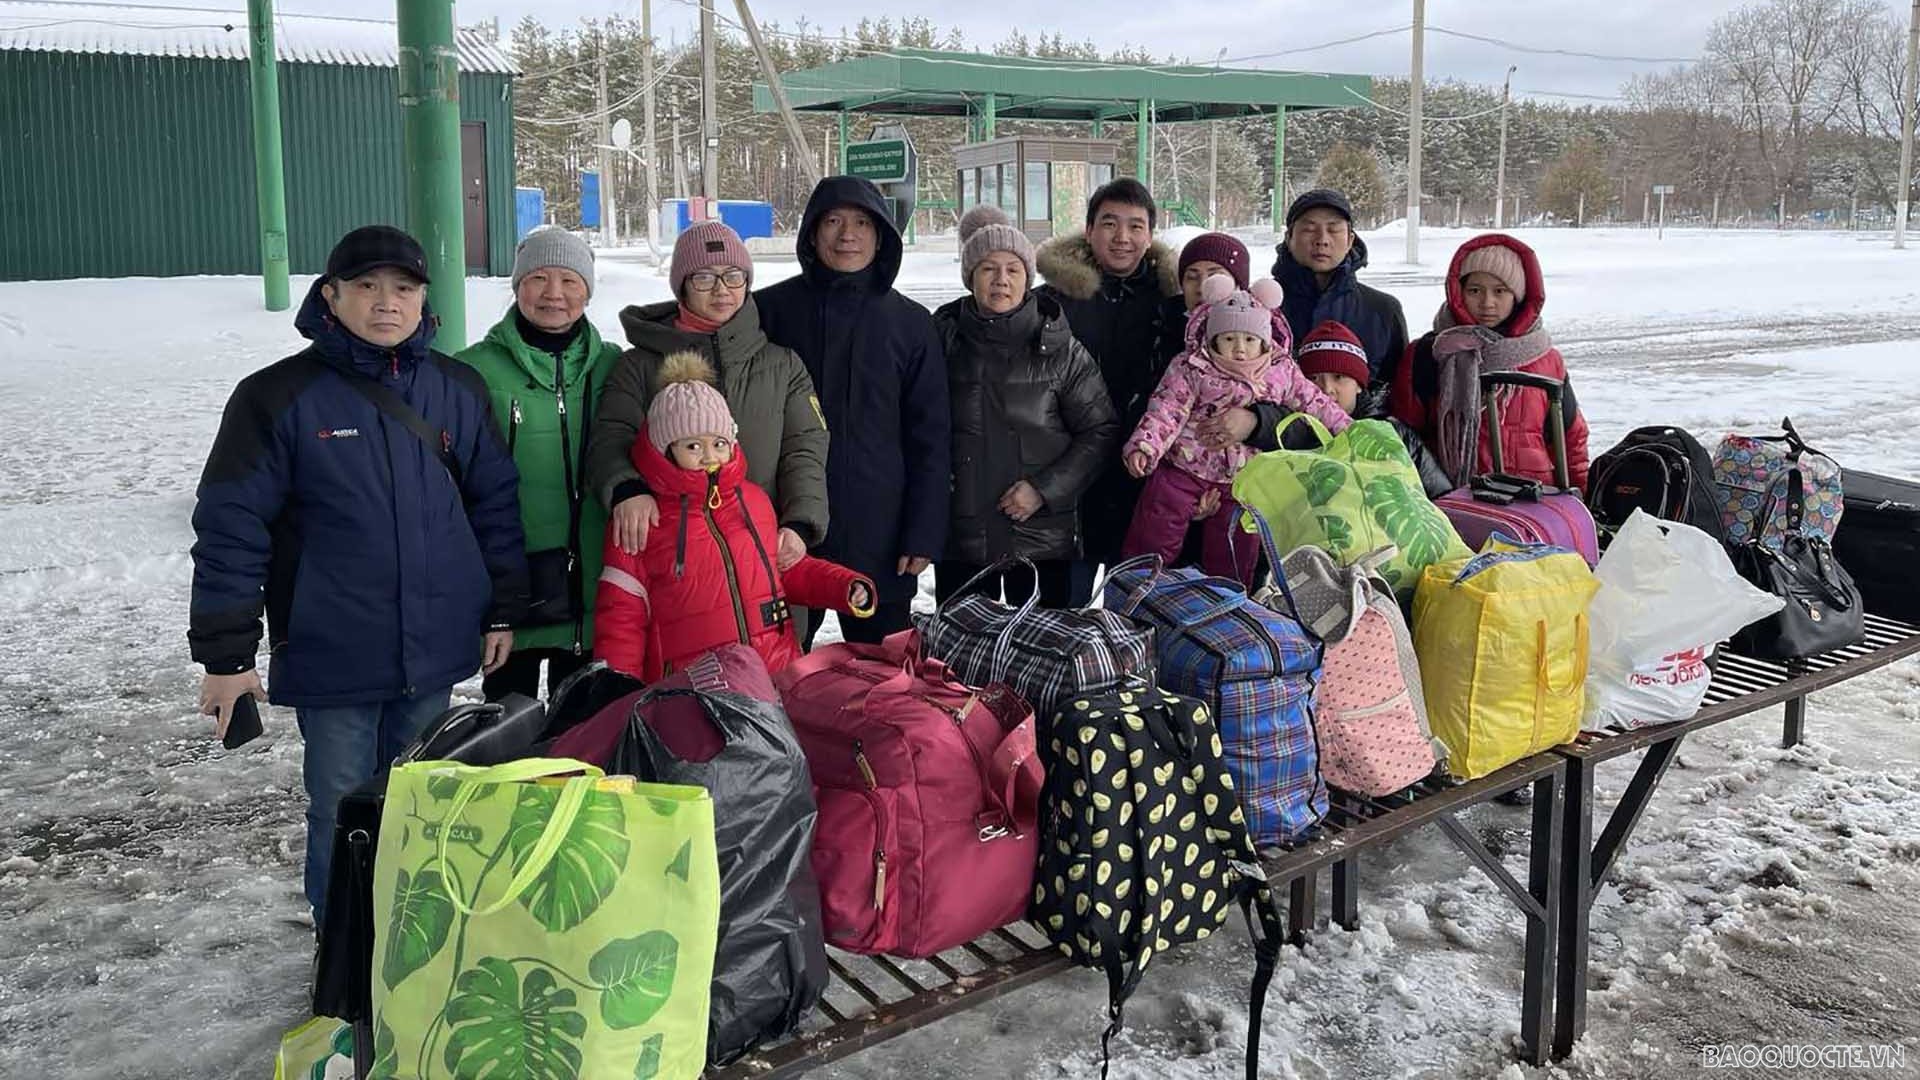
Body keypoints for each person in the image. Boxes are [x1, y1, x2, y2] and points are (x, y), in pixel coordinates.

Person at [189, 225, 526, 926]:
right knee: (343, 804)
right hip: (332, 648)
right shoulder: (275, 397)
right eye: (367, 286)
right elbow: (231, 527)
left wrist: (502, 610)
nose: (385, 303)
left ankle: (417, 944)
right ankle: (343, 951)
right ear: (331, 295)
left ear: (424, 300)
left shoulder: (456, 390)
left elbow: (493, 505)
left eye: (402, 288)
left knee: (425, 803)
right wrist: (226, 654)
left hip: (433, 648)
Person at [586, 220, 830, 633]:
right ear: (681, 286)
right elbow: (612, 434)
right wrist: (625, 487)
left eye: (734, 277)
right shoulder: (640, 365)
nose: (722, 290)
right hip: (679, 572)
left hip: (761, 556)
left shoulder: (782, 364)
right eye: (704, 278)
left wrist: (800, 521)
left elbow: (804, 446)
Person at [594, 352, 874, 680]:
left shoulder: (753, 502)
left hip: (774, 674)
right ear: (664, 449)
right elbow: (621, 617)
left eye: (719, 443)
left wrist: (843, 586)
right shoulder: (642, 520)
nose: (709, 456)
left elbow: (785, 569)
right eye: (693, 447)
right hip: (693, 688)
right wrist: (617, 690)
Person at [755, 177, 949, 642]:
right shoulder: (769, 310)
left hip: (879, 531)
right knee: (782, 670)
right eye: (834, 221)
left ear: (881, 235)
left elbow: (931, 437)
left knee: (881, 680)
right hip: (788, 528)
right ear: (811, 232)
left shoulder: (910, 324)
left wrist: (922, 532)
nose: (848, 235)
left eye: (863, 222)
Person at [458, 226, 622, 699]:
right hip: (512, 596)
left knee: (583, 744)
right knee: (512, 739)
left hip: (595, 596)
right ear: (517, 286)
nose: (555, 294)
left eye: (570, 281)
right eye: (539, 279)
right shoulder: (472, 371)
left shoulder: (614, 367)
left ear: (587, 290)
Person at [935, 206, 1118, 608]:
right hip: (962, 540)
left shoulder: (1061, 349)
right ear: (970, 277)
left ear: (1028, 279)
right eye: (988, 269)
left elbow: (1100, 431)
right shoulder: (941, 342)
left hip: (1042, 543)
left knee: (1040, 660)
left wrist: (1043, 490)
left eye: (1013, 270)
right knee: (962, 662)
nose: (1001, 280)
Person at [1121, 276, 1351, 585]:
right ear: (1213, 340)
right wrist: (1145, 446)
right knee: (1159, 517)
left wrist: (1348, 431)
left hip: (1245, 477)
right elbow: (1167, 409)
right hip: (1186, 465)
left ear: (1266, 341)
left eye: (1250, 340)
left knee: (1236, 544)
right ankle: (1138, 581)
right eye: (1229, 340)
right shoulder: (1192, 367)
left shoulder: (1280, 372)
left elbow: (1315, 402)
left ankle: (1229, 596)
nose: (1240, 350)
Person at [1033, 178, 1182, 600]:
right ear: (1089, 230)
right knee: (1063, 616)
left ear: (1150, 235)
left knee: (1136, 619)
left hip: (1145, 486)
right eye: (1110, 224)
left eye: (1136, 226)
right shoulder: (1050, 302)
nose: (1123, 237)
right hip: (1070, 489)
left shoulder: (1173, 302)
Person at [1391, 233, 1592, 492]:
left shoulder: (1545, 358)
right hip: (1452, 504)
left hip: (1533, 504)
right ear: (1458, 292)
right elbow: (1405, 439)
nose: (1488, 303)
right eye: (1475, 290)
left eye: (1500, 291)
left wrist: (1580, 501)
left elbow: (1570, 437)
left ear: (1518, 296)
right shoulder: (1429, 353)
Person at [1292, 320, 1453, 498]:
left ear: (1360, 385)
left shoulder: (1393, 435)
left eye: (1339, 377)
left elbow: (1442, 497)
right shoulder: (1288, 438)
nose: (1326, 389)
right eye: (1313, 378)